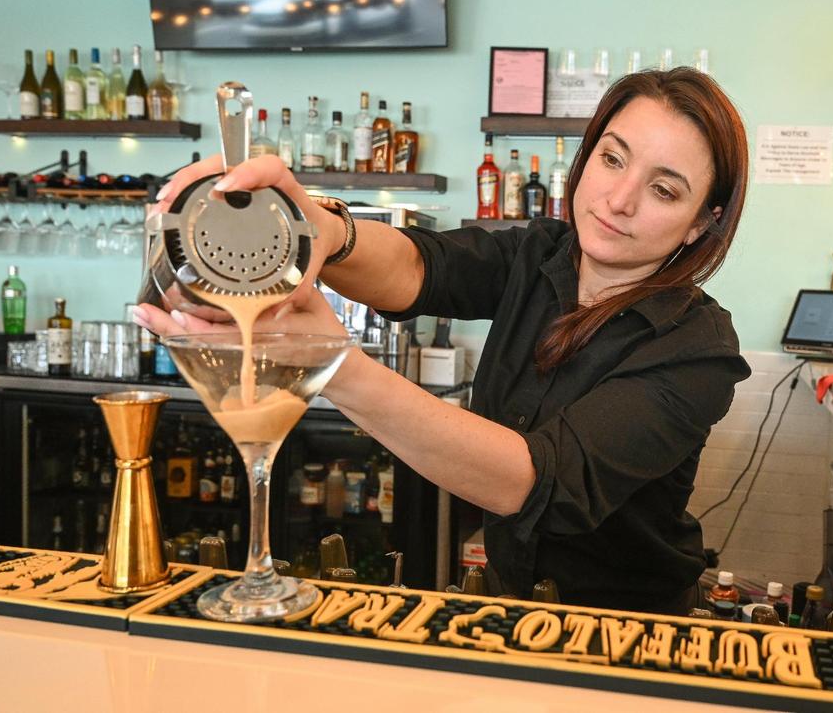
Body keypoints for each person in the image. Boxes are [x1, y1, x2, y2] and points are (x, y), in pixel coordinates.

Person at [135, 67, 752, 614]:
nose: (619, 200)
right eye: (613, 159)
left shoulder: (698, 349)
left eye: (664, 189)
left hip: (634, 632)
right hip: (514, 609)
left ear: (703, 222)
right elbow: (415, 268)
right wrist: (318, 226)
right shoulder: (538, 256)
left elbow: (534, 482)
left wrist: (330, 361)